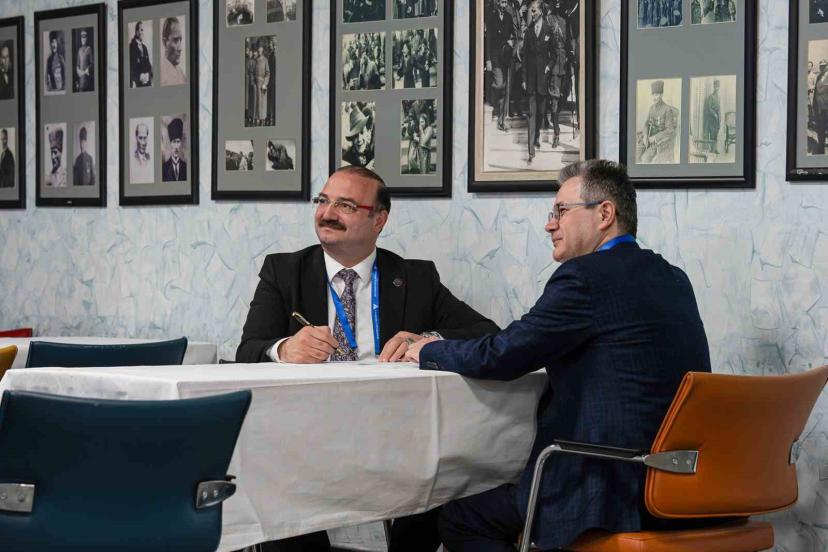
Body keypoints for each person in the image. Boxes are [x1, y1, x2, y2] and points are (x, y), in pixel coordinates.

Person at [406, 159, 712, 551]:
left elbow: (502, 355)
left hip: (609, 489)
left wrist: (427, 348)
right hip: (679, 485)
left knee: (459, 519)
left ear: (605, 214)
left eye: (561, 211)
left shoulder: (584, 278)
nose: (550, 225)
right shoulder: (672, 277)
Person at [236, 165, 499, 552]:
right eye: (323, 201)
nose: (327, 213)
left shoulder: (414, 277)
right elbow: (247, 350)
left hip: (393, 432)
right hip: (305, 432)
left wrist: (426, 340)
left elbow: (486, 331)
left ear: (379, 220)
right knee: (275, 487)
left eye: (344, 205)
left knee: (451, 470)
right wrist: (284, 349)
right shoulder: (284, 271)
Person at [522, 1, 550, 165]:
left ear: (541, 12)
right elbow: (525, 58)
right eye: (531, 11)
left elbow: (554, 53)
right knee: (532, 115)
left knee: (540, 113)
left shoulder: (548, 29)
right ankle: (530, 152)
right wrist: (524, 79)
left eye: (534, 11)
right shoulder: (528, 32)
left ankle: (537, 136)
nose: (531, 14)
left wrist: (548, 67)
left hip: (543, 80)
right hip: (531, 81)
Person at [486, 0, 514, 132]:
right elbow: (488, 40)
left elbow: (513, 34)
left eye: (505, 3)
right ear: (497, 3)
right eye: (502, 2)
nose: (504, 5)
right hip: (495, 57)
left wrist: (511, 41)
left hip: (505, 56)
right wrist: (488, 59)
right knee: (498, 85)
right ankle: (493, 101)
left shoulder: (509, 17)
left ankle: (501, 121)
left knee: (505, 88)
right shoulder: (491, 17)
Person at [546, 0, 570, 148]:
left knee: (564, 95)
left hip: (565, 63)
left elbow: (568, 41)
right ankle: (556, 132)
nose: (557, 3)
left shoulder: (564, 20)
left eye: (559, 1)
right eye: (555, 1)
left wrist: (570, 54)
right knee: (554, 98)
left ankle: (553, 117)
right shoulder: (548, 20)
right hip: (554, 63)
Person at [637, 79, 678, 163]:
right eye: (653, 94)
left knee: (645, 159)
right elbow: (646, 124)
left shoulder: (667, 109)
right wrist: (645, 135)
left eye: (656, 95)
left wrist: (655, 138)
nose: (654, 97)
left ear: (661, 95)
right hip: (647, 139)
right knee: (636, 154)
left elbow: (670, 130)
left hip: (658, 143)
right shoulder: (651, 108)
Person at [160, 17, 185, 86]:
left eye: (180, 40)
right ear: (165, 42)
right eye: (175, 40)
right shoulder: (160, 73)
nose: (180, 48)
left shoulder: (181, 73)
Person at [129, 21, 152, 88]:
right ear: (136, 32)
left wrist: (148, 75)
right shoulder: (131, 47)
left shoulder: (145, 48)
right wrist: (140, 77)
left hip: (147, 85)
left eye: (143, 30)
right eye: (141, 30)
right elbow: (129, 70)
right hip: (137, 86)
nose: (143, 33)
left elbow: (149, 66)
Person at [702, 79, 721, 154]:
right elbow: (709, 108)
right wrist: (714, 114)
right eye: (716, 86)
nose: (717, 88)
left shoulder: (718, 97)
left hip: (717, 118)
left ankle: (715, 149)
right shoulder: (710, 96)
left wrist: (719, 117)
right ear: (714, 87)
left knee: (716, 133)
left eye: (718, 87)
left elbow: (719, 108)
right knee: (712, 133)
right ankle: (712, 149)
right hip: (712, 118)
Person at [813, 60, 828, 154]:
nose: (822, 67)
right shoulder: (819, 76)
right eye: (821, 66)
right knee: (820, 128)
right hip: (819, 107)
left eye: (824, 66)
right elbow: (816, 92)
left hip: (827, 106)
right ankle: (821, 149)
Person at [255, 41, 270, 125]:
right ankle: (257, 118)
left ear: (262, 49)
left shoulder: (265, 60)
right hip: (256, 83)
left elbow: (268, 73)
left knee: (263, 102)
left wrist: (265, 83)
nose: (259, 50)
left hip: (263, 84)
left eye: (260, 48)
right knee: (257, 101)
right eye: (258, 48)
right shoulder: (256, 60)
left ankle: (263, 119)